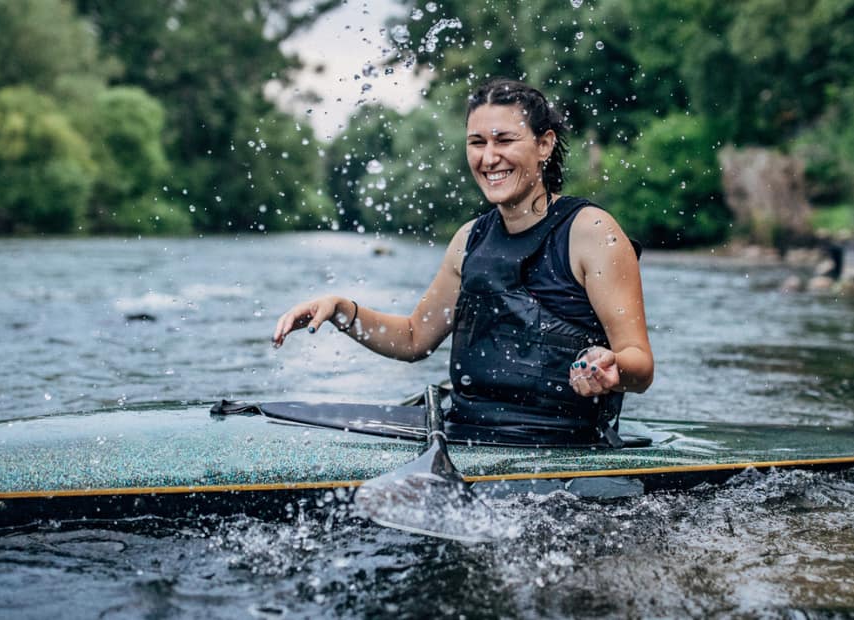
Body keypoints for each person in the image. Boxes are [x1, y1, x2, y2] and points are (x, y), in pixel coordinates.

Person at [271, 78, 654, 447]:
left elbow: (640, 366)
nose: (489, 158)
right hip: (467, 435)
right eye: (477, 142)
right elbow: (412, 338)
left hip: (561, 446)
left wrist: (610, 366)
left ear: (544, 145)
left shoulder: (592, 231)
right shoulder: (468, 239)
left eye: (505, 140)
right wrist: (342, 311)